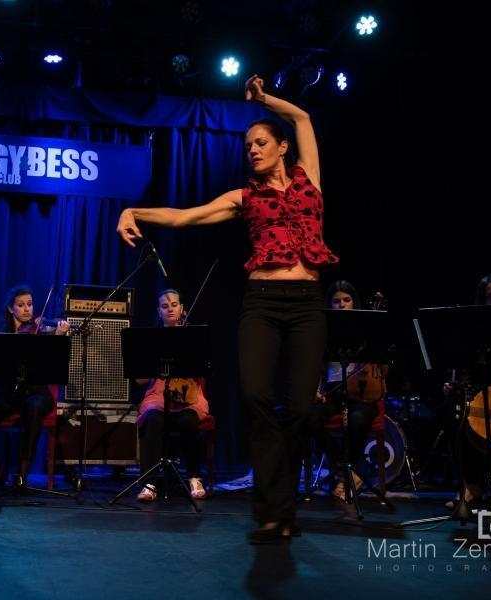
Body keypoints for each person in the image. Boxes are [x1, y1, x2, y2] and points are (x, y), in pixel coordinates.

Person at [117, 74, 338, 543]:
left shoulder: (310, 180)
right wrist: (134, 212)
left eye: (261, 143)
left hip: (307, 306)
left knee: (301, 409)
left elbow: (302, 118)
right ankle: (272, 510)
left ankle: (281, 504)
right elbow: (185, 216)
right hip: (262, 303)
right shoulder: (244, 198)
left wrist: (263, 99)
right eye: (248, 146)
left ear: (282, 147)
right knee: (255, 397)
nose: (252, 150)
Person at [0, 284, 70, 487]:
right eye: (21, 305)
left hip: (38, 394)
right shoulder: (2, 334)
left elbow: (52, 363)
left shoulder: (41, 331)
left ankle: (22, 474)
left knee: (33, 406)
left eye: (30, 304)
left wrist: (58, 337)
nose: (27, 309)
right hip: (10, 396)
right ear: (10, 308)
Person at [444, 272, 491, 509]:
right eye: (488, 297)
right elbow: (470, 371)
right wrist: (457, 385)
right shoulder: (477, 330)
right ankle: (471, 485)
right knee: (456, 406)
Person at [134, 289, 209, 501]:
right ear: (159, 311)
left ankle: (194, 477)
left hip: (188, 396)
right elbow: (139, 381)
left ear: (182, 308)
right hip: (158, 395)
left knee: (188, 421)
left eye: (174, 305)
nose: (170, 309)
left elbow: (203, 370)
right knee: (154, 418)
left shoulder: (192, 337)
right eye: (165, 306)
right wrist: (154, 363)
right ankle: (149, 483)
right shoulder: (151, 340)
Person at [310, 280, 382, 500]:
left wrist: (375, 340)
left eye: (346, 300)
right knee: (308, 416)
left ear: (354, 302)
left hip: (362, 392)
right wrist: (315, 389)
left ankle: (346, 475)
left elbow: (383, 369)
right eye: (336, 301)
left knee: (357, 419)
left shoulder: (366, 328)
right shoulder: (322, 330)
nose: (341, 305)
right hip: (333, 390)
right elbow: (316, 365)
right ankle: (346, 470)